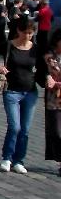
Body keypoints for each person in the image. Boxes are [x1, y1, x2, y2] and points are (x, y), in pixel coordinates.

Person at [0, 17, 39, 173]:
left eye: (31, 33)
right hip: (11, 91)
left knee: (25, 129)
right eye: (26, 33)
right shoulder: (8, 46)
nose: (28, 36)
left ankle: (19, 160)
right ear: (19, 31)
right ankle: (7, 158)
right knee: (15, 127)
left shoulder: (35, 49)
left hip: (30, 92)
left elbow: (42, 69)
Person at [43, 27, 61, 177]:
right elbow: (44, 72)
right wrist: (47, 77)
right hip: (54, 100)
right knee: (56, 131)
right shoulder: (50, 57)